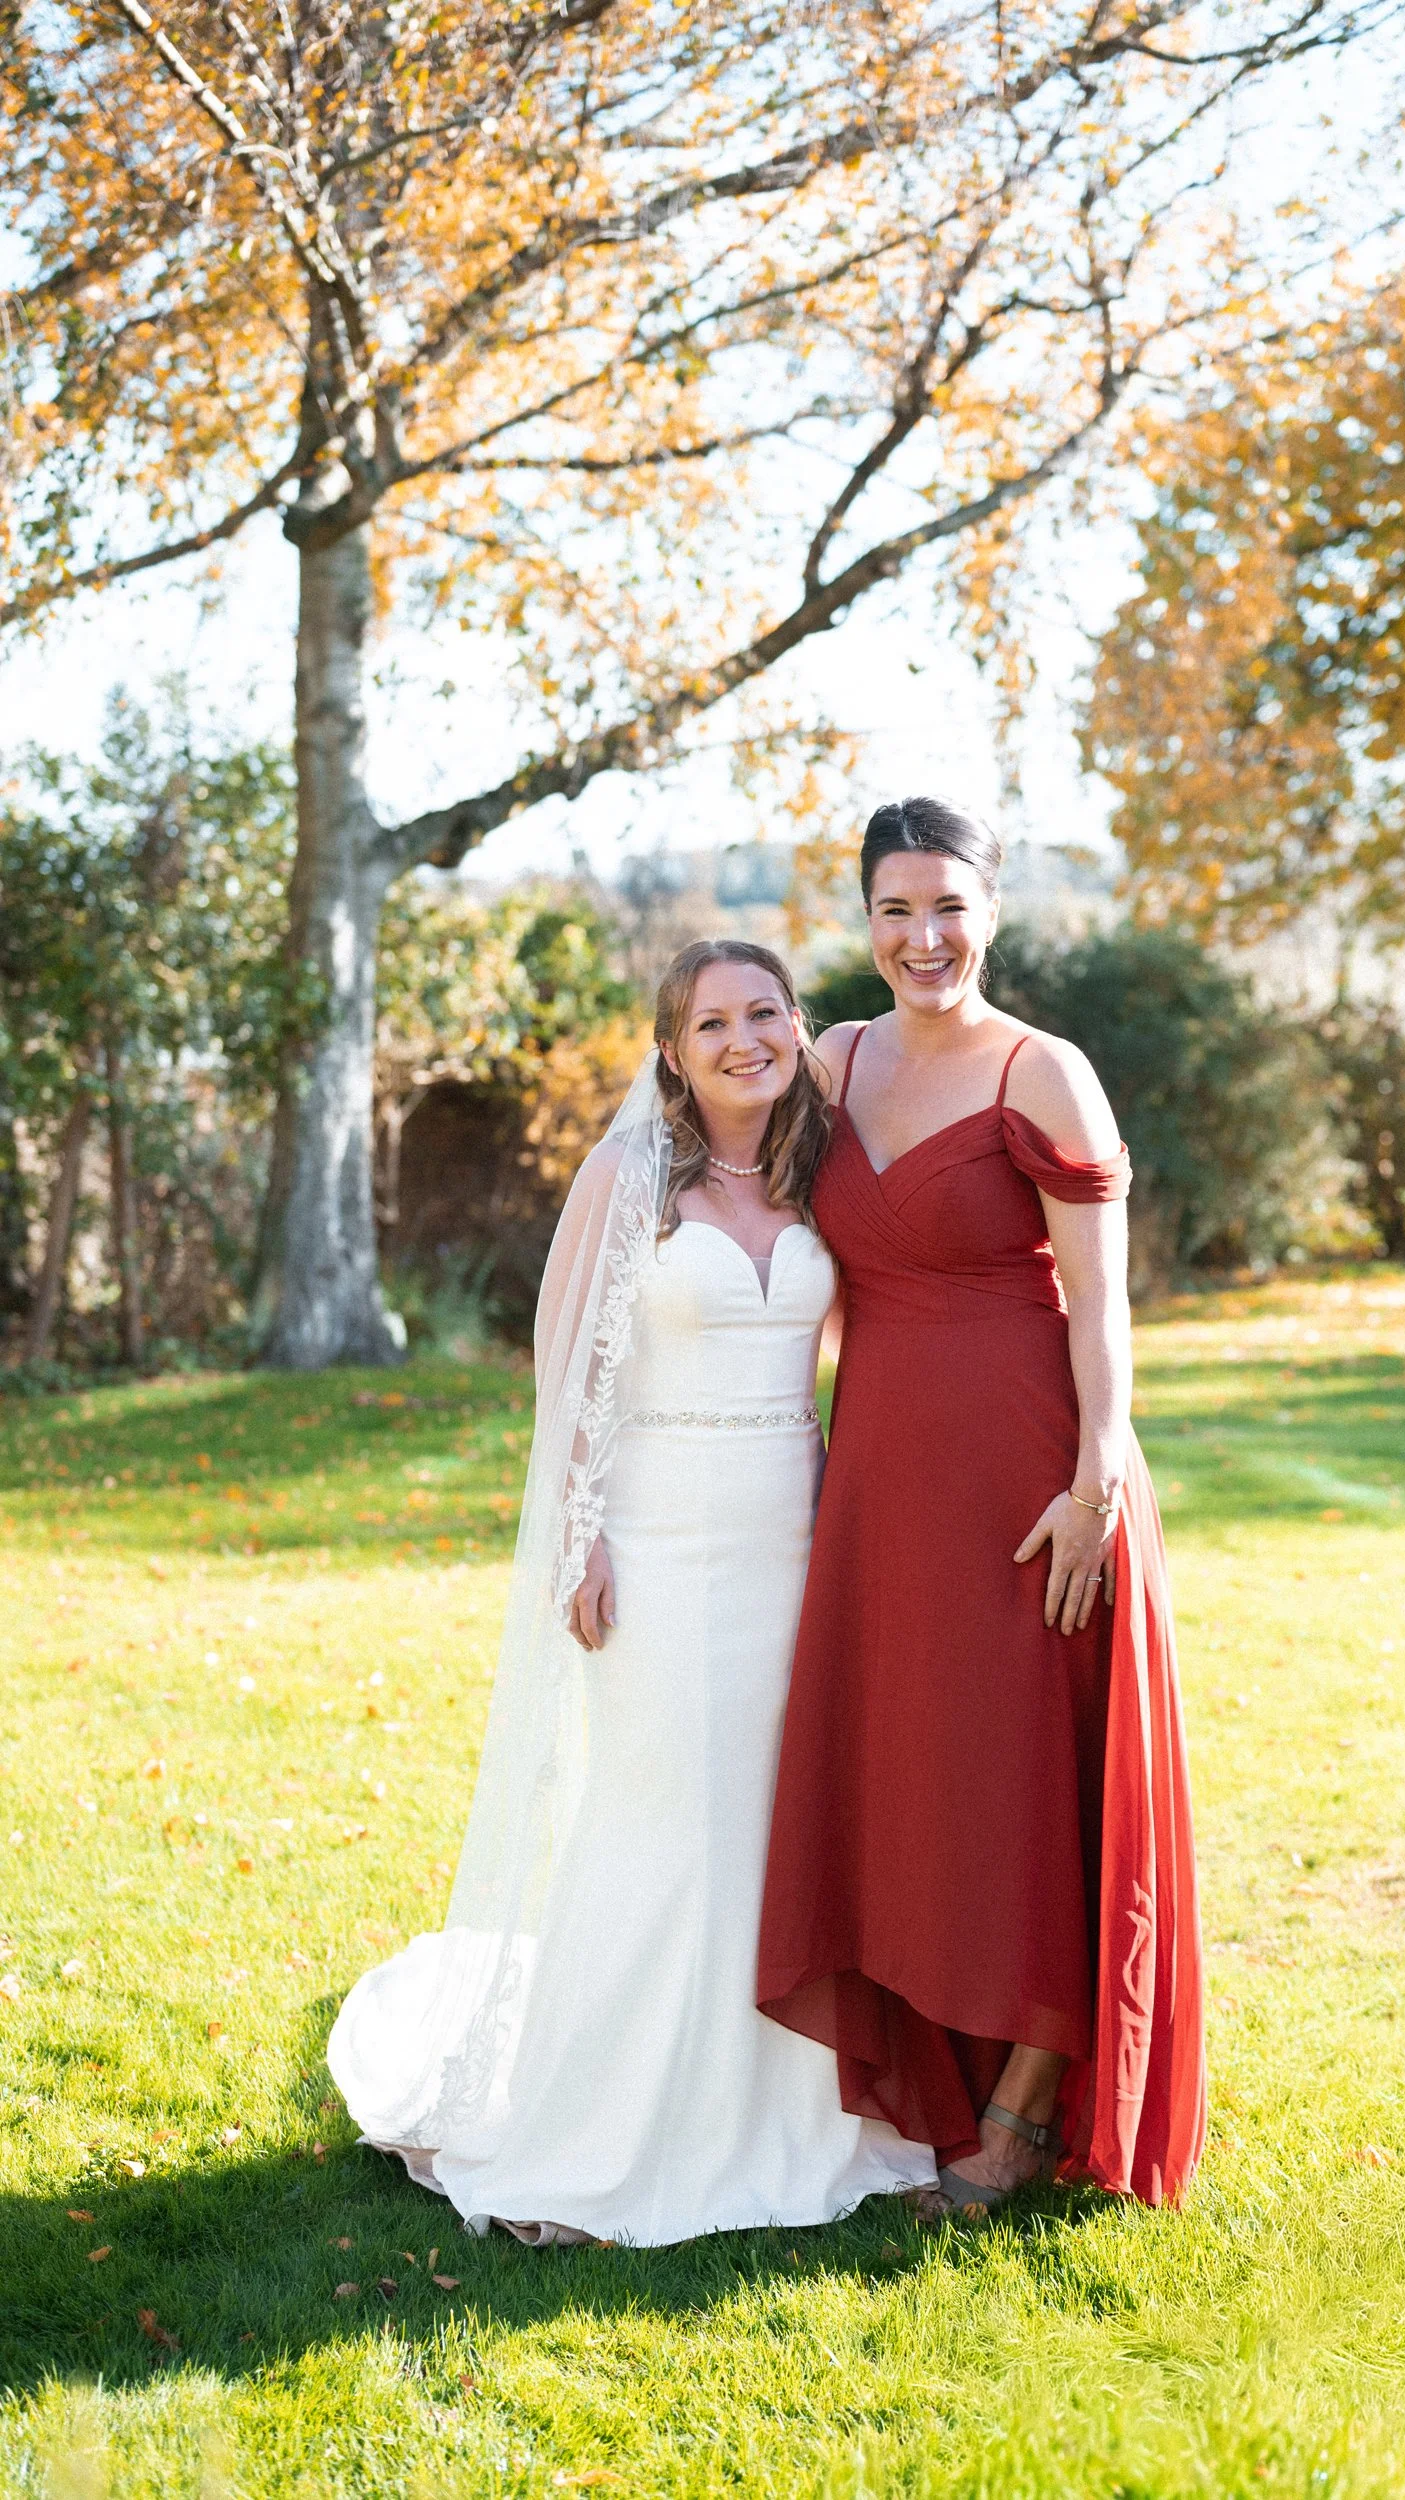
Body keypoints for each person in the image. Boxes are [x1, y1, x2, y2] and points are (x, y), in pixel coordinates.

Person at [329, 938, 936, 2246]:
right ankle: (603, 2127)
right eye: (710, 1022)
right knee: (660, 1816)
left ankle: (789, 2116)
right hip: (657, 1544)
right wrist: (581, 1537)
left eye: (763, 1013)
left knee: (774, 1826)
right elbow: (569, 1374)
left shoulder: (813, 1178)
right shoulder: (627, 1177)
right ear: (670, 1050)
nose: (742, 1039)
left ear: (794, 1028)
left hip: (794, 1539)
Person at [757, 798, 1206, 2213]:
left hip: (1025, 1470)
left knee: (1022, 1776)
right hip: (879, 1476)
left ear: (990, 914)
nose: (922, 936)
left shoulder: (1043, 1071)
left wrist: (1098, 1477)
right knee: (916, 1776)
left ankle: (1014, 2116)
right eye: (895, 910)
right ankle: (924, 2077)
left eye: (948, 907)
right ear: (865, 922)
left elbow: (1101, 1305)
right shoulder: (829, 1060)